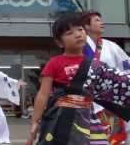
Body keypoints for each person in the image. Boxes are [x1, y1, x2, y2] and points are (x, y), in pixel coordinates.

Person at [26, 13, 130, 145]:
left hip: (88, 116)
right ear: (59, 43)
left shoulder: (95, 64)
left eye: (80, 30)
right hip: (62, 117)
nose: (77, 34)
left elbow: (115, 86)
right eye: (70, 33)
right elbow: (43, 94)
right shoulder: (54, 62)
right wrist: (35, 121)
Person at [82, 11, 130, 144]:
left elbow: (126, 68)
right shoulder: (79, 48)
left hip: (110, 102)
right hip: (86, 102)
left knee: (111, 138)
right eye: (97, 20)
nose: (101, 23)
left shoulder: (111, 47)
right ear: (87, 26)